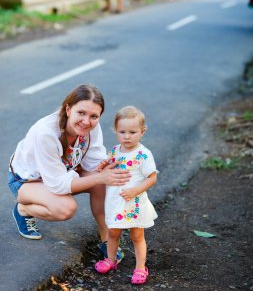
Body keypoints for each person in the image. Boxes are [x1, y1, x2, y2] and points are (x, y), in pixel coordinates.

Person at [8, 83, 130, 262]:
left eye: (94, 116)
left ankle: (107, 240)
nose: (87, 121)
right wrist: (100, 176)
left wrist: (119, 168)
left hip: (60, 173)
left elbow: (95, 163)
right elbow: (58, 185)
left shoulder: (90, 128)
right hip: (26, 181)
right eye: (81, 113)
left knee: (103, 181)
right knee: (65, 209)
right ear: (68, 109)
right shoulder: (46, 133)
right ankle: (23, 209)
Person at [94, 106, 158, 285]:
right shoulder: (115, 150)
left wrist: (135, 190)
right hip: (115, 202)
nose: (127, 136)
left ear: (142, 131)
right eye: (122, 132)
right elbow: (110, 166)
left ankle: (140, 267)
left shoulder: (143, 154)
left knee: (137, 235)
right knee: (113, 232)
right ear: (116, 131)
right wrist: (103, 165)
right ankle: (111, 259)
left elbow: (152, 178)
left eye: (132, 132)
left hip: (133, 201)